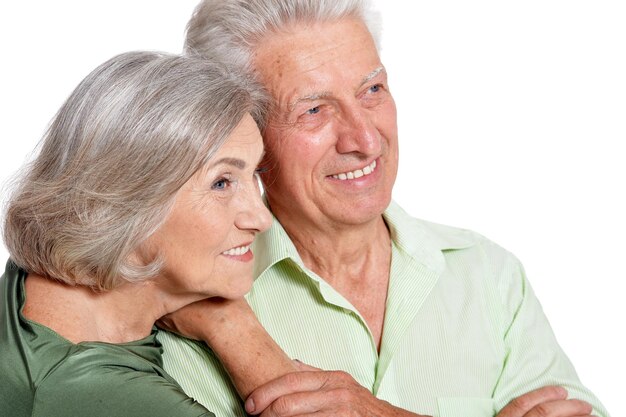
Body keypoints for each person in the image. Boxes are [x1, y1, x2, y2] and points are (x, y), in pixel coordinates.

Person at [157, 1, 611, 417]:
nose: (366, 140)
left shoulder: (488, 274)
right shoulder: (197, 304)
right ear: (244, 135)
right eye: (314, 110)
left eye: (372, 89)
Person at [0, 50, 298, 416]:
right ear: (127, 201)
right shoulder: (103, 393)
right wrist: (238, 332)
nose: (260, 217)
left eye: (254, 175)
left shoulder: (39, 274)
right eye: (222, 183)